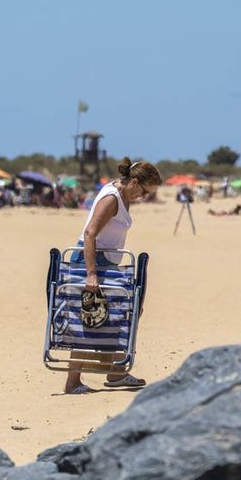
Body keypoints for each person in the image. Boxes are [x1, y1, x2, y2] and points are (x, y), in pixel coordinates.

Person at [63, 158, 162, 394]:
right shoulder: (111, 198)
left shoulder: (123, 195)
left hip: (107, 263)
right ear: (134, 182)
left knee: (120, 313)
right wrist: (91, 274)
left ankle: (115, 372)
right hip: (92, 262)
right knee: (88, 319)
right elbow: (90, 233)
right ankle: (73, 382)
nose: (144, 197)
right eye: (145, 191)